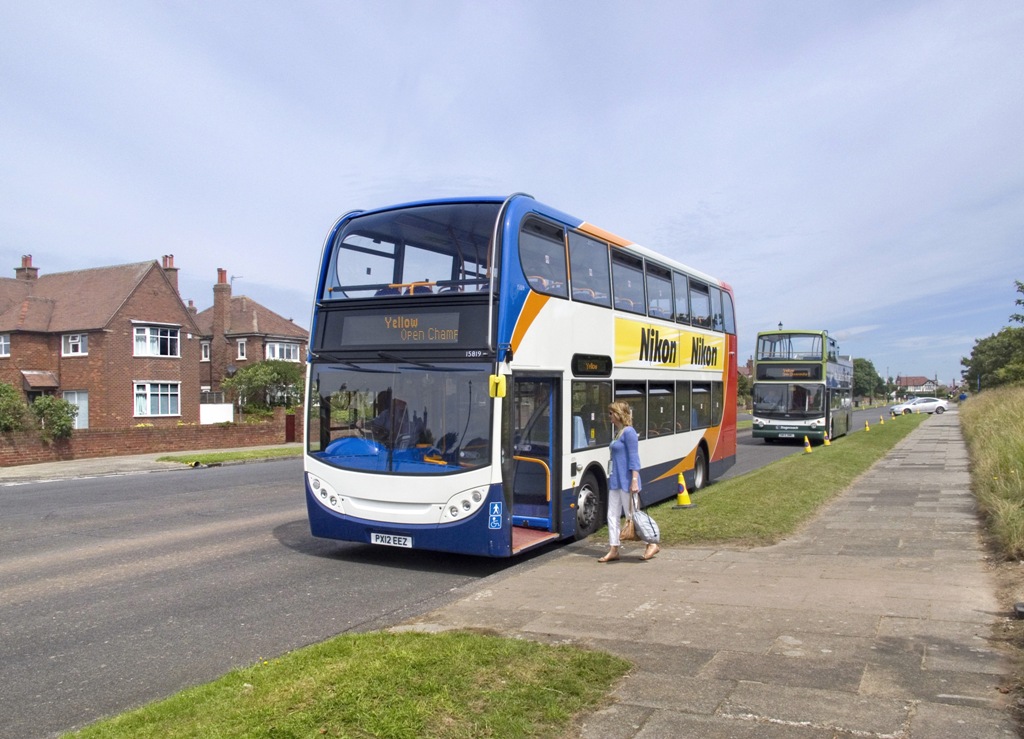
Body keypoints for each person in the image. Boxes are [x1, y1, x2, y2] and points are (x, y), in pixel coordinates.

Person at [599, 401, 659, 562]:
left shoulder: (629, 433)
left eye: (611, 413)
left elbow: (634, 459)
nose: (609, 416)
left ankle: (651, 543)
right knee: (612, 514)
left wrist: (634, 480)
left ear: (618, 414)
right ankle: (614, 548)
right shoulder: (617, 433)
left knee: (633, 515)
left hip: (627, 481)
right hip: (615, 480)